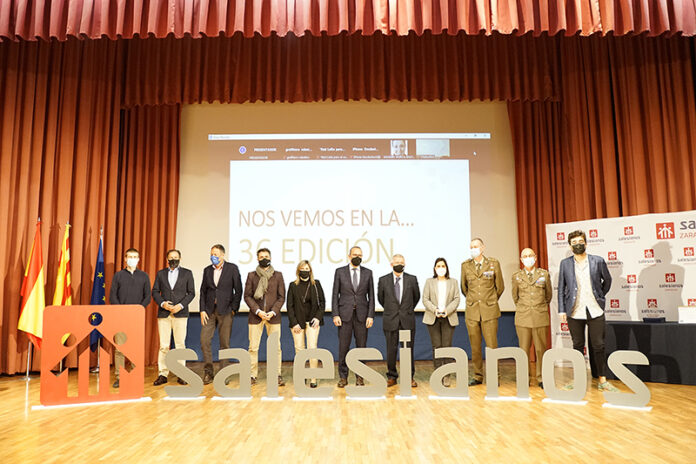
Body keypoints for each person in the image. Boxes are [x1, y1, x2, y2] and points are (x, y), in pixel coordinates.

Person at [558, 230, 618, 392]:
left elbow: (607, 280)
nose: (578, 244)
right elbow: (561, 287)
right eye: (574, 242)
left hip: (595, 309)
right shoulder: (565, 264)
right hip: (574, 310)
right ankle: (578, 379)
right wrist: (561, 310)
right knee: (577, 345)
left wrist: (600, 296)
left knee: (599, 345)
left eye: (580, 241)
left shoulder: (597, 261)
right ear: (570, 246)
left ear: (585, 243)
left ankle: (602, 379)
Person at [460, 237, 504, 386]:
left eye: (476, 246)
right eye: (471, 247)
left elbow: (500, 287)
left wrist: (490, 300)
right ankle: (478, 376)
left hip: (489, 310)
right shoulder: (465, 265)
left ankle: (494, 376)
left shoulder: (493, 263)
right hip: (472, 311)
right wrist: (475, 300)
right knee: (475, 347)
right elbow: (464, 288)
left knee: (492, 346)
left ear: (483, 247)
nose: (473, 249)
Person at [331, 245, 375, 387]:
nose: (358, 257)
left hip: (362, 316)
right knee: (343, 348)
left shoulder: (368, 273)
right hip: (344, 316)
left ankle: (360, 377)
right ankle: (343, 377)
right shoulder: (340, 272)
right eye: (355, 255)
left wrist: (370, 315)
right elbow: (335, 294)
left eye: (360, 255)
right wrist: (335, 314)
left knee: (361, 348)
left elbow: (371, 296)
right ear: (349, 256)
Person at [199, 244, 243, 385]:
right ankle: (208, 372)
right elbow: (203, 291)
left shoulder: (232, 268)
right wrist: (202, 310)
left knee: (224, 343)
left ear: (223, 255)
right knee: (204, 340)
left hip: (226, 311)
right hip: (209, 311)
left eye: (216, 254)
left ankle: (224, 373)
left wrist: (234, 309)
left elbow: (238, 290)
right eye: (212, 254)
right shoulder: (207, 270)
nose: (213, 256)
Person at [151, 249, 195, 386]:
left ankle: (181, 374)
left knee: (180, 344)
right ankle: (162, 374)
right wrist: (163, 304)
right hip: (164, 314)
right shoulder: (161, 273)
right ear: (167, 259)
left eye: (176, 257)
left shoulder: (187, 273)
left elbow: (191, 293)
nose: (173, 260)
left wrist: (180, 306)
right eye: (171, 257)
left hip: (180, 314)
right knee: (164, 345)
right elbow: (155, 291)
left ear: (180, 259)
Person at [108, 248, 151, 388]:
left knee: (135, 348)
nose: (132, 259)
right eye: (130, 257)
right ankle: (119, 377)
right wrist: (121, 311)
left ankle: (135, 375)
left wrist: (138, 310)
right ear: (125, 259)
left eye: (135, 257)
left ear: (138, 259)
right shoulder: (118, 275)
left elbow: (147, 296)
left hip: (137, 318)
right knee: (120, 349)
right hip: (120, 317)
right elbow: (113, 295)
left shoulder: (144, 276)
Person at [511, 248, 552, 388]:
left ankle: (541, 378)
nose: (528, 258)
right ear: (521, 260)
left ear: (535, 257)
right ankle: (525, 378)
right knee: (523, 350)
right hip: (523, 317)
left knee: (541, 349)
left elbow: (548, 295)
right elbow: (515, 297)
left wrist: (538, 306)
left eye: (530, 255)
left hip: (540, 316)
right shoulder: (516, 276)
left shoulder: (544, 274)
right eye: (525, 256)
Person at [244, 248, 286, 386]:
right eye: (261, 257)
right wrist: (258, 311)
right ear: (257, 259)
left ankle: (276, 375)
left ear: (270, 258)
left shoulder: (278, 275)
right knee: (253, 348)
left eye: (266, 256)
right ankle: (252, 375)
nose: (264, 259)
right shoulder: (251, 275)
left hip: (273, 317)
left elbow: (281, 297)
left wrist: (273, 312)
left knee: (275, 348)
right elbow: (247, 296)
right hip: (256, 317)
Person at [377, 254, 420, 387]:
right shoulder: (383, 280)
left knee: (408, 350)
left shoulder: (412, 279)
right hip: (390, 320)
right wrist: (392, 310)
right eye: (397, 262)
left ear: (405, 264)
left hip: (407, 320)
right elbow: (381, 299)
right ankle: (392, 376)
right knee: (391, 350)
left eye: (401, 262)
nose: (399, 264)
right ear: (391, 264)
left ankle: (409, 377)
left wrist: (405, 310)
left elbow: (416, 297)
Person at [286, 260, 326, 388]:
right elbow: (289, 306)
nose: (305, 271)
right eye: (302, 269)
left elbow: (322, 303)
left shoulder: (316, 284)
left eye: (307, 269)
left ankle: (313, 378)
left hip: (313, 322)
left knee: (312, 349)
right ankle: (301, 375)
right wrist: (294, 323)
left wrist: (318, 318)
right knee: (299, 350)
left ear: (310, 271)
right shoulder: (293, 285)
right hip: (297, 323)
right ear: (298, 271)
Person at [422, 257, 460, 387]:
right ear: (434, 268)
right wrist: (435, 310)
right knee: (437, 347)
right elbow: (425, 299)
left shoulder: (453, 282)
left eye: (443, 266)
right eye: (438, 266)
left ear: (447, 268)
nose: (441, 268)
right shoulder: (429, 282)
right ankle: (438, 373)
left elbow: (456, 299)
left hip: (448, 317)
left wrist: (447, 311)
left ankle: (447, 375)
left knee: (447, 346)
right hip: (433, 317)